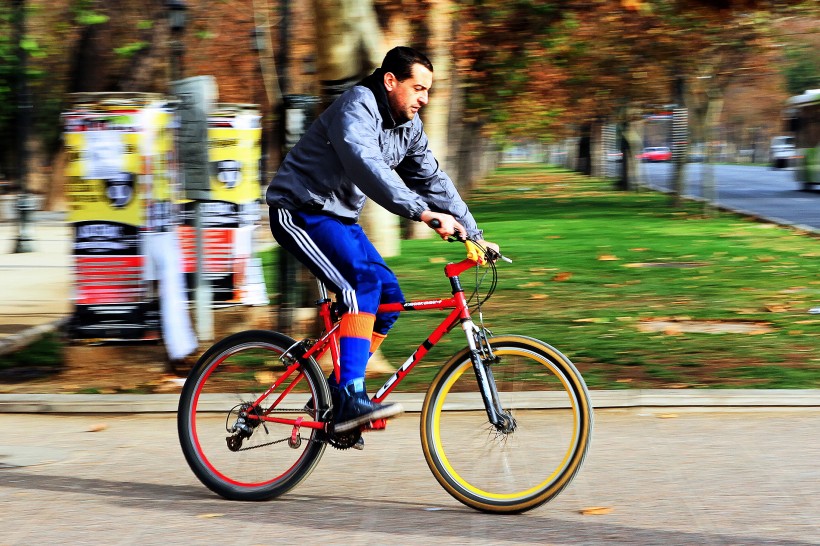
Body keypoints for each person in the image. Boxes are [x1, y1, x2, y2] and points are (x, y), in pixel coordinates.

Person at [266, 46, 499, 434]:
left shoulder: (409, 128)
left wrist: (474, 235)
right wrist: (422, 213)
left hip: (339, 220)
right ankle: (350, 395)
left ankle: (334, 390)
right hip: (299, 211)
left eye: (428, 91)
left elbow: (433, 181)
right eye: (418, 88)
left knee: (388, 299)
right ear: (390, 81)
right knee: (363, 284)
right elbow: (367, 165)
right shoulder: (356, 106)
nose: (424, 98)